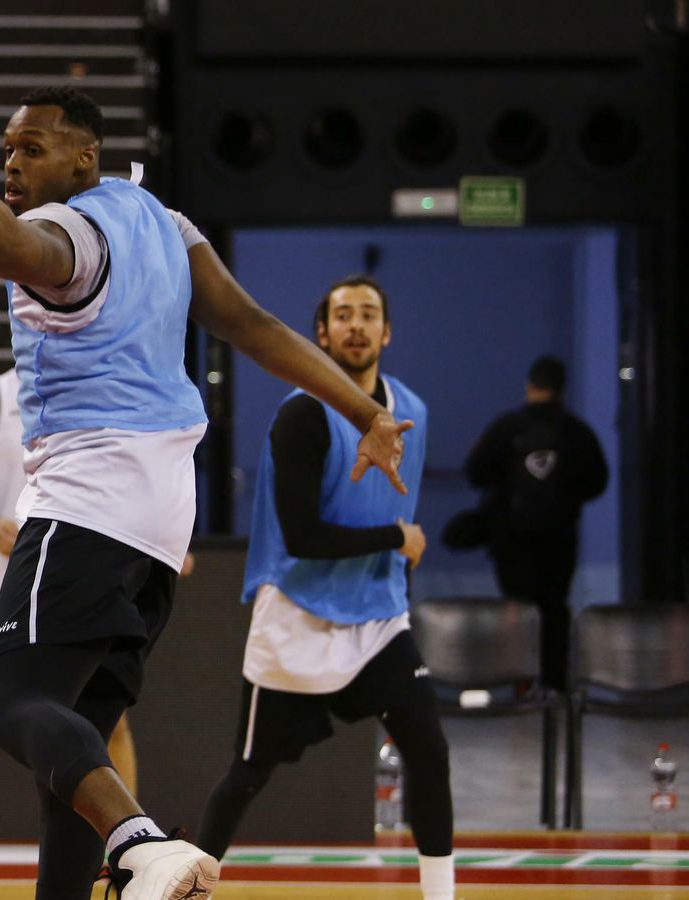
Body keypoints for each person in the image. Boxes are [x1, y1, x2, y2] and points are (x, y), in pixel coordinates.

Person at [0, 24, 413, 900]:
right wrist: (366, 409)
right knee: (67, 758)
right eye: (6, 150)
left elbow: (1, 246)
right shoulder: (166, 222)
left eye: (31, 149)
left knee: (15, 708)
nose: (12, 165)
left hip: (86, 499)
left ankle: (142, 843)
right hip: (159, 522)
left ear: (84, 159)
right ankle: (123, 847)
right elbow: (254, 327)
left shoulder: (69, 236)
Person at [193, 276, 455, 900]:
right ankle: (191, 885)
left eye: (369, 314)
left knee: (429, 750)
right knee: (249, 773)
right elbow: (304, 536)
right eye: (343, 315)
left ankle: (441, 896)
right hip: (298, 617)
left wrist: (396, 563)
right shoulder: (303, 416)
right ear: (321, 333)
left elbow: (400, 523)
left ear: (387, 332)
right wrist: (396, 540)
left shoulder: (409, 413)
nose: (357, 325)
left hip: (376, 619)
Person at [0, 366, 145, 898]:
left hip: (88, 578)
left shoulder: (108, 387)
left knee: (111, 725)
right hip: (11, 583)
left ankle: (127, 854)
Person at [463, 355, 607, 689]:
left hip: (511, 541)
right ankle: (554, 687)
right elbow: (598, 481)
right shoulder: (576, 432)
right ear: (562, 389)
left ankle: (521, 684)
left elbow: (476, 472)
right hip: (560, 540)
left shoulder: (507, 427)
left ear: (530, 385)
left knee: (517, 611)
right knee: (554, 611)